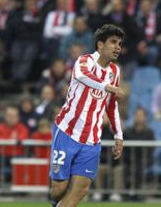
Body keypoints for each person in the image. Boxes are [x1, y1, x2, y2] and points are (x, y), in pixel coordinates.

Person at [49, 24, 125, 207]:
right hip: (67, 132)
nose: (117, 47)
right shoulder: (84, 61)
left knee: (81, 189)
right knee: (59, 190)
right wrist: (105, 86)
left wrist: (119, 135)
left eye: (120, 44)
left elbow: (111, 105)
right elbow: (83, 76)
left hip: (92, 139)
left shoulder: (115, 71)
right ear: (100, 44)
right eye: (113, 42)